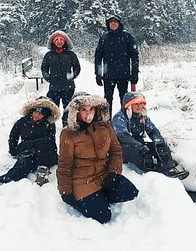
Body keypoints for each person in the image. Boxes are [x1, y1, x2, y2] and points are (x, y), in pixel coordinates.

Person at [56, 93, 139, 224]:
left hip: (104, 174)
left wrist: (113, 173)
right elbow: (64, 165)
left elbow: (116, 151)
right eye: (83, 109)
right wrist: (65, 191)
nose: (88, 113)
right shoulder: (68, 133)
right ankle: (86, 200)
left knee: (131, 192)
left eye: (91, 109)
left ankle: (100, 196)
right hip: (83, 180)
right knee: (104, 217)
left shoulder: (105, 126)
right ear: (76, 112)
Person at [0, 97, 60, 193]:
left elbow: (51, 142)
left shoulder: (48, 124)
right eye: (36, 112)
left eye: (41, 114)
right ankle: (2, 181)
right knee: (22, 167)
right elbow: (13, 136)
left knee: (45, 142)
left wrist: (53, 156)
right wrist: (13, 151)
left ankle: (42, 172)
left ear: (45, 116)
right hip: (27, 151)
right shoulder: (23, 121)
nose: (37, 115)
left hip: (43, 153)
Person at [112, 92, 189, 180]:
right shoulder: (119, 118)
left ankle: (169, 168)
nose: (139, 106)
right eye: (136, 104)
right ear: (129, 105)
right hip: (122, 149)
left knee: (159, 146)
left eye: (141, 104)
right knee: (137, 154)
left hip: (139, 145)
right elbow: (123, 136)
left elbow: (153, 130)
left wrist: (158, 141)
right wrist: (141, 148)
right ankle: (155, 172)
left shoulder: (143, 117)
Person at [94, 14, 139, 114]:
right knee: (107, 101)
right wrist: (98, 74)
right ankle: (107, 123)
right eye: (111, 21)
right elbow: (98, 57)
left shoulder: (127, 37)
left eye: (115, 21)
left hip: (123, 75)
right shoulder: (104, 38)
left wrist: (134, 73)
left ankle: (124, 121)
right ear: (108, 24)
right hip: (108, 76)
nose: (113, 23)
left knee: (125, 100)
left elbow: (134, 56)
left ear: (119, 23)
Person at [41, 30, 81, 126]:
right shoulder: (49, 55)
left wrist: (72, 76)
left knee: (68, 109)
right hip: (54, 87)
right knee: (52, 109)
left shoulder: (71, 55)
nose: (59, 41)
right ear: (53, 42)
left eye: (61, 39)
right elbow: (44, 68)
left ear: (65, 41)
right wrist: (48, 78)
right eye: (57, 39)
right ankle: (50, 128)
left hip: (68, 87)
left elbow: (77, 67)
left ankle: (66, 127)